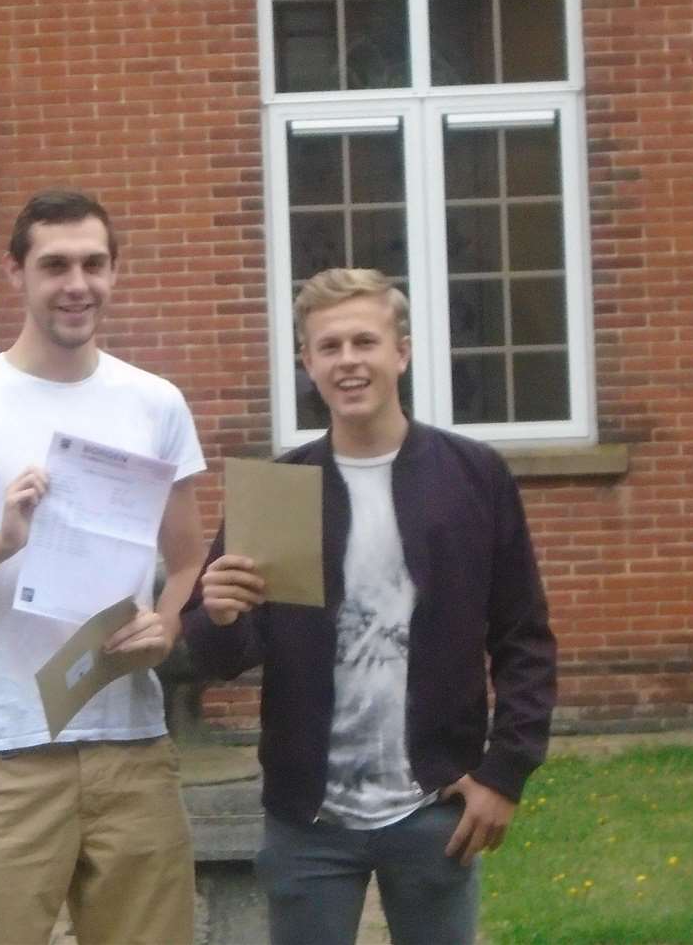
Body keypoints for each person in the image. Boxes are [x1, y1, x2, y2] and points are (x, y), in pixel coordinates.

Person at [182, 267, 557, 945]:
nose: (348, 360)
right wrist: (217, 613)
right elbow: (219, 655)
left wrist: (504, 772)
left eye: (365, 341)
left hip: (434, 804)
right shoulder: (282, 488)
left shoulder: (470, 477)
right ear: (307, 362)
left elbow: (524, 637)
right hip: (306, 819)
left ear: (401, 352)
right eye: (329, 346)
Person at [0, 188, 206, 944]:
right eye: (54, 264)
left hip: (130, 745)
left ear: (115, 271)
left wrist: (165, 624)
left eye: (94, 263)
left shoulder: (155, 402)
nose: (76, 283)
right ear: (15, 273)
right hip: (6, 747)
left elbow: (187, 558)